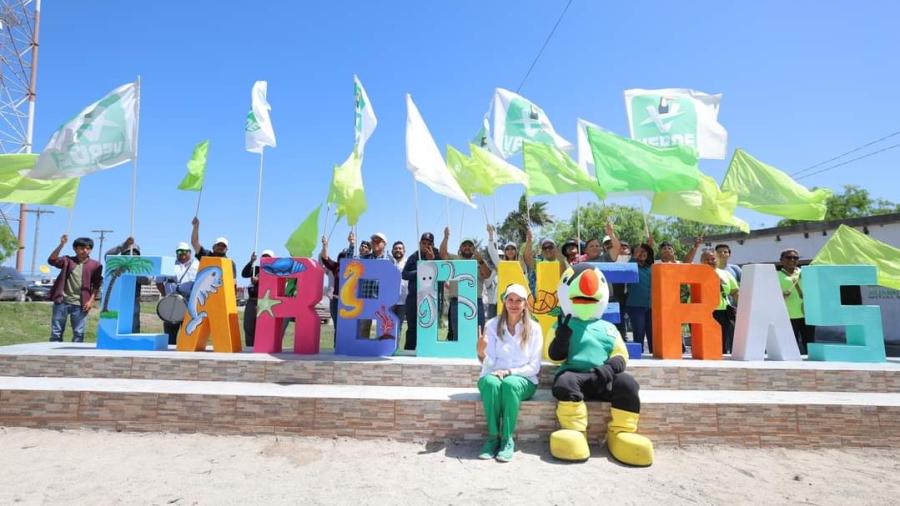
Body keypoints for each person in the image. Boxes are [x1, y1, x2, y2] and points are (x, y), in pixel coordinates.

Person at [475, 283, 543, 462]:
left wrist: (509, 372)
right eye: (510, 300)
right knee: (490, 383)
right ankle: (492, 438)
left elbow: (534, 366)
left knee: (510, 384)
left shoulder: (535, 328)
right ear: (504, 302)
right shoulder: (492, 325)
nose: (513, 304)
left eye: (518, 300)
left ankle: (506, 440)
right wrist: (481, 352)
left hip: (523, 379)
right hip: (494, 376)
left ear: (525, 304)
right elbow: (488, 363)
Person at [47, 235, 102, 343]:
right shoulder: (67, 260)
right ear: (75, 249)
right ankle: (53, 356)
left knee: (78, 333)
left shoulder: (95, 265)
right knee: (56, 332)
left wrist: (91, 301)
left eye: (88, 248)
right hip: (62, 301)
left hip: (81, 304)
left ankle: (76, 356)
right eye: (81, 248)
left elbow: (96, 285)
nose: (85, 251)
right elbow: (52, 260)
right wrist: (61, 244)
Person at [439, 227, 491, 340]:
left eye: (470, 245)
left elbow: (487, 275)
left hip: (476, 301)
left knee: (478, 334)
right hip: (456, 301)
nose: (467, 247)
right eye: (464, 245)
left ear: (474, 248)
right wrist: (446, 237)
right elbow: (442, 254)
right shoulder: (454, 258)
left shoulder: (480, 261)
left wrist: (480, 261)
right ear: (460, 248)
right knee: (458, 335)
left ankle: (477, 357)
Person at [401, 232, 439, 351]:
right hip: (413, 296)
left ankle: (428, 351)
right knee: (412, 327)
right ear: (420, 243)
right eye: (424, 243)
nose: (426, 245)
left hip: (431, 297)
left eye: (429, 243)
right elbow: (404, 274)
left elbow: (441, 273)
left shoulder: (437, 254)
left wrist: (431, 262)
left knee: (429, 327)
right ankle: (409, 351)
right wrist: (420, 270)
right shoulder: (414, 256)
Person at [155, 242, 198, 345]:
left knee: (188, 334)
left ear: (190, 252)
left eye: (185, 251)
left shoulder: (197, 265)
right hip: (171, 305)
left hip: (189, 305)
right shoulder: (169, 264)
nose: (182, 254)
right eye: (179, 251)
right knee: (170, 334)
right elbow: (159, 281)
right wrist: (166, 295)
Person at [105, 237, 151, 333]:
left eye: (135, 254)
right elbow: (107, 256)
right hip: (116, 299)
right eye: (127, 253)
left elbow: (148, 280)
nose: (131, 256)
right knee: (115, 325)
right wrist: (123, 246)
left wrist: (132, 273)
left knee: (133, 324)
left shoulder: (141, 268)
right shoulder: (116, 265)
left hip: (133, 300)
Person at [700, 249, 739, 354]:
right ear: (701, 262)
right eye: (706, 259)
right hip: (703, 313)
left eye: (713, 259)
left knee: (722, 346)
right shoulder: (696, 273)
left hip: (723, 313)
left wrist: (744, 307)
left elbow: (735, 292)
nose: (710, 261)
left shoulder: (725, 274)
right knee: (705, 346)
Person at [779, 249, 815, 354]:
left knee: (810, 345)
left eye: (795, 258)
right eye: (788, 257)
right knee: (790, 347)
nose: (792, 260)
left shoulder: (805, 272)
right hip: (788, 316)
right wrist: (781, 295)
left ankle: (811, 368)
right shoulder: (776, 275)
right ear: (781, 260)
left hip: (807, 314)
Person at [319, 232, 356, 335]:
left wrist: (352, 243)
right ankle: (337, 347)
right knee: (337, 326)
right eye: (341, 258)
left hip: (348, 301)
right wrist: (325, 245)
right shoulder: (335, 266)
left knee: (346, 326)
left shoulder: (353, 268)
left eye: (346, 257)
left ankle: (346, 347)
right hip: (335, 300)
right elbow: (325, 258)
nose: (344, 259)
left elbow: (351, 254)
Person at [359, 232, 390, 338]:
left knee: (383, 327)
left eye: (378, 241)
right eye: (373, 241)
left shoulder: (390, 260)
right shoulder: (364, 259)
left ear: (384, 244)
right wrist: (352, 244)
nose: (374, 243)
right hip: (366, 298)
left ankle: (379, 352)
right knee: (363, 327)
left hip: (383, 300)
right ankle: (363, 350)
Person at [624, 243, 654, 353]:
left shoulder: (651, 268)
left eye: (644, 251)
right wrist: (634, 257)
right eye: (638, 251)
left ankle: (653, 355)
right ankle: (638, 357)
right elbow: (631, 264)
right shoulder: (631, 265)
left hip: (651, 307)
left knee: (652, 334)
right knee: (639, 333)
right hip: (636, 306)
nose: (642, 253)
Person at [241, 249, 274, 348]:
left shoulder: (274, 271)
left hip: (265, 303)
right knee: (249, 326)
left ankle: (263, 348)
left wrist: (259, 280)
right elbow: (244, 274)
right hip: (252, 301)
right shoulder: (256, 268)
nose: (265, 259)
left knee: (264, 328)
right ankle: (250, 348)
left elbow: (271, 285)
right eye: (264, 257)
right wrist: (251, 261)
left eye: (268, 257)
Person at [390, 241, 408, 339]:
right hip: (390, 301)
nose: (398, 250)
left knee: (399, 326)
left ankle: (395, 349)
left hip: (404, 300)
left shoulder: (408, 262)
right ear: (392, 250)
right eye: (396, 248)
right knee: (388, 326)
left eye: (400, 248)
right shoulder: (388, 262)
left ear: (404, 251)